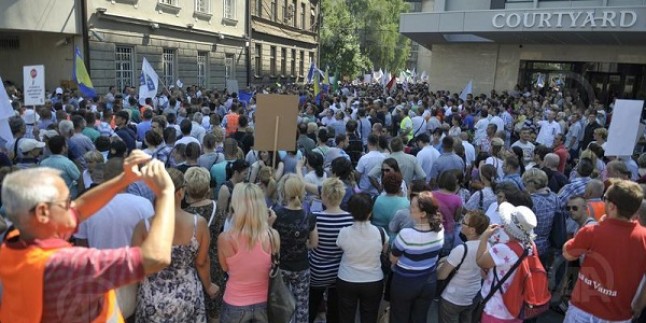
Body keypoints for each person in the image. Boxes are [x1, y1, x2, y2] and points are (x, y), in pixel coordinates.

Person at [0, 152, 176, 322]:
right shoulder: (64, 265)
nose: (72, 206)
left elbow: (81, 207)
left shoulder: (15, 240)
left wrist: (124, 180)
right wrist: (166, 194)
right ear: (43, 212)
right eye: (66, 202)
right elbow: (155, 258)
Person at [133, 168, 217, 322]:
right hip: (188, 297)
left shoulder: (143, 226)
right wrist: (209, 286)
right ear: (181, 192)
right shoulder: (198, 223)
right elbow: (202, 262)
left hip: (153, 298)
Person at [562, 180, 646, 322]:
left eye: (605, 198)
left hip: (583, 311)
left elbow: (567, 254)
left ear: (612, 206)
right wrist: (639, 304)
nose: (603, 202)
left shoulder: (591, 231)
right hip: (619, 315)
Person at [218, 183, 279, 322]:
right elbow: (271, 265)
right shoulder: (273, 235)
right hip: (265, 303)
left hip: (235, 302)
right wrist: (268, 225)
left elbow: (225, 268)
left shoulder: (225, 238)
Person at [476, 202, 538, 322]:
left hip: (496, 308)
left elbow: (480, 261)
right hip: (517, 305)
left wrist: (484, 237)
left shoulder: (503, 249)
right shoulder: (531, 246)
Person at [389, 191, 444, 323]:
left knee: (399, 317)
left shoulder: (406, 234)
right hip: (429, 282)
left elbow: (393, 258)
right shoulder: (440, 229)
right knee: (420, 317)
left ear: (423, 214)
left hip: (405, 283)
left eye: (412, 207)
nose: (409, 209)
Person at [272, 176, 319, 323]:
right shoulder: (309, 216)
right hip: (302, 267)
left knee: (281, 306)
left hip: (281, 267)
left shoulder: (276, 214)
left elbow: (269, 239)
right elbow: (314, 243)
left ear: (285, 192)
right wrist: (301, 245)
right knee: (302, 306)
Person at [308, 178, 354, 323]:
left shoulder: (315, 218)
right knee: (335, 310)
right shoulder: (350, 219)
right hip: (339, 272)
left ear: (324, 196)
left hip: (317, 271)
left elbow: (311, 243)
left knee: (311, 305)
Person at [336, 193, 387, 323]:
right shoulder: (380, 232)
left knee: (346, 317)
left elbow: (340, 247)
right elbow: (384, 250)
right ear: (370, 211)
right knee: (369, 317)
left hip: (347, 279)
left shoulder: (344, 232)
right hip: (373, 280)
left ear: (351, 212)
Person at [183, 167, 225, 320]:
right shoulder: (218, 209)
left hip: (193, 266)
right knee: (215, 312)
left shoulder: (185, 214)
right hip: (215, 263)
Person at [437, 210, 490, 323]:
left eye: (464, 222)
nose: (461, 223)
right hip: (473, 295)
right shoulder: (488, 246)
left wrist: (440, 264)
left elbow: (441, 275)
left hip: (452, 298)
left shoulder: (461, 249)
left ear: (472, 230)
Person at [372, 172, 410, 240]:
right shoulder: (407, 203)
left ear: (383, 185)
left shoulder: (374, 199)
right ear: (399, 186)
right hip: (396, 240)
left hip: (377, 237)